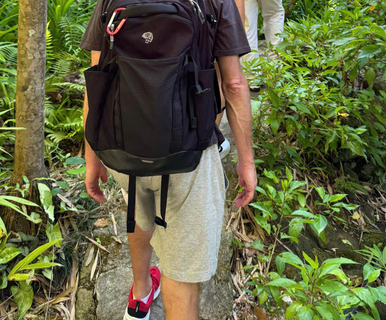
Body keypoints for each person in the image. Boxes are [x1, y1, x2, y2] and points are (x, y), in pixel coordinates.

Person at [80, 0, 258, 319]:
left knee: (139, 211)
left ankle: (140, 296)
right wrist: (247, 160)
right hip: (189, 155)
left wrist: (91, 157)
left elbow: (96, 82)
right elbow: (233, 84)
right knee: (182, 274)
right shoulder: (217, 2)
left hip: (125, 146)